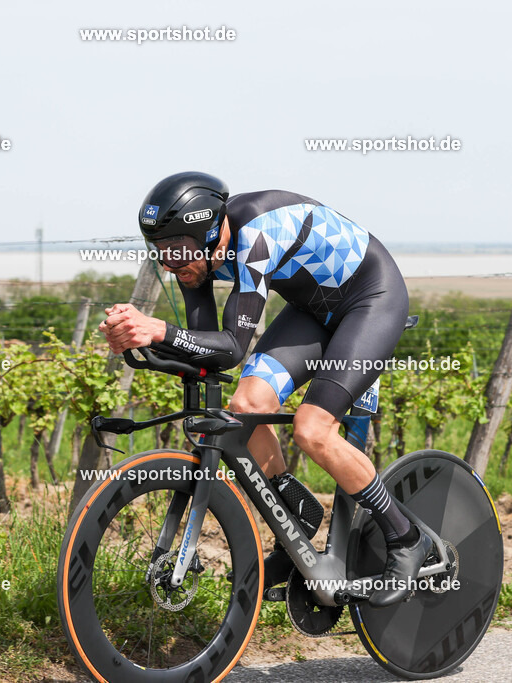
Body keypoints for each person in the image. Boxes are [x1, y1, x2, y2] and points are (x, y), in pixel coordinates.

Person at [99, 171, 430, 607]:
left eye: (176, 249)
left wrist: (159, 329)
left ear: (210, 231)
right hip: (314, 309)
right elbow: (205, 354)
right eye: (160, 251)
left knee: (313, 431)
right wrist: (139, 338)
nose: (169, 262)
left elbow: (233, 348)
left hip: (371, 299)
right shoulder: (192, 259)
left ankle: (407, 537)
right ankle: (296, 514)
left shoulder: (254, 234)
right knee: (246, 406)